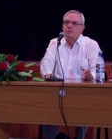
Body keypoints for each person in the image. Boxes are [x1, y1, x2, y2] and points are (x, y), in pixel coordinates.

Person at [40, 10, 102, 139]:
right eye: (66, 22)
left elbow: (98, 69)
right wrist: (47, 74)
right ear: (62, 26)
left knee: (84, 106)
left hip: (81, 93)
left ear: (82, 28)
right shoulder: (55, 43)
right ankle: (58, 137)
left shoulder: (91, 44)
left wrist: (91, 75)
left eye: (74, 23)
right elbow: (46, 61)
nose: (69, 26)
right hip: (57, 92)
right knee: (42, 108)